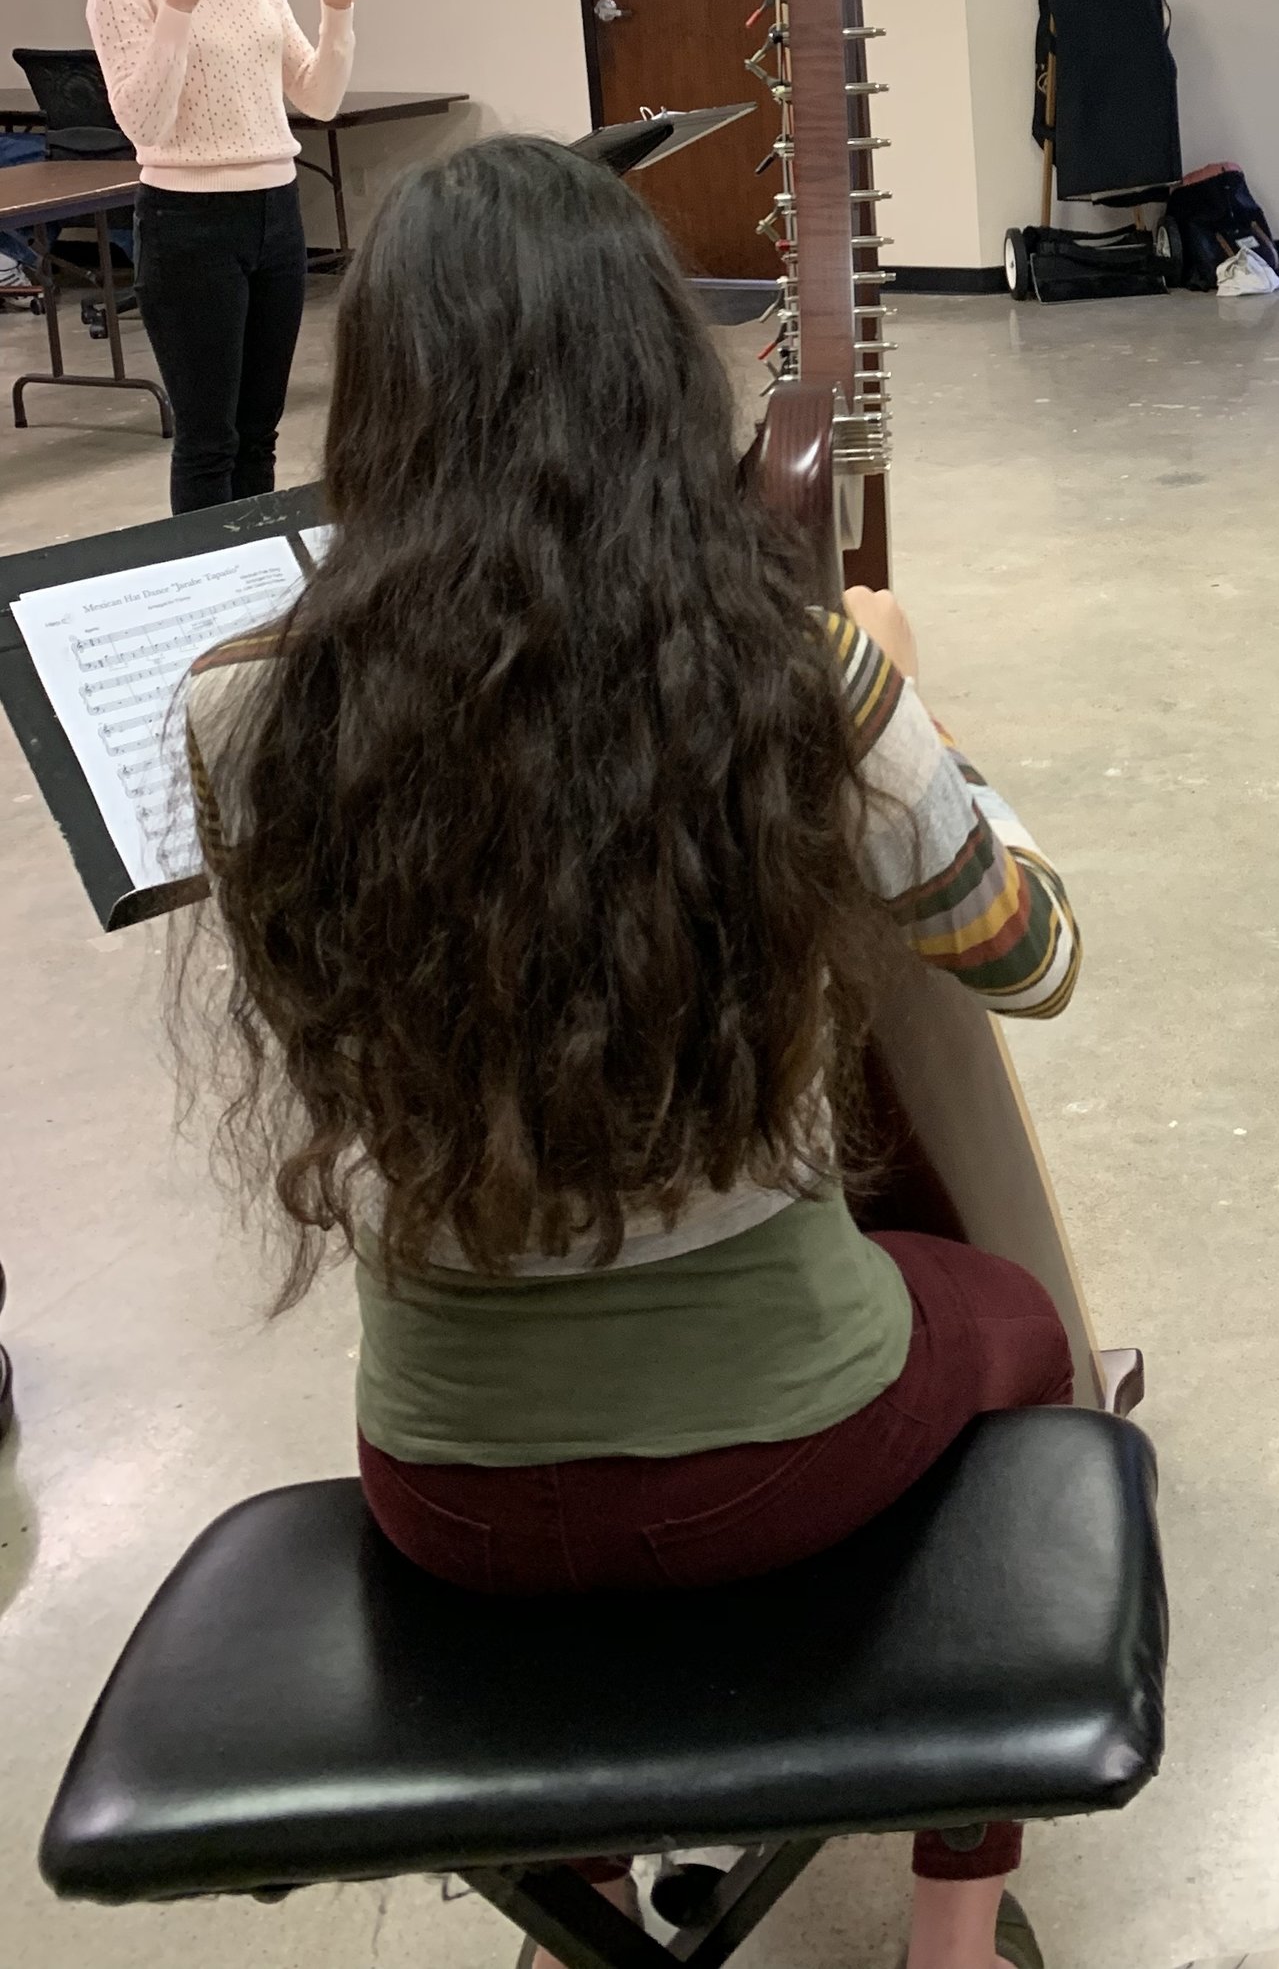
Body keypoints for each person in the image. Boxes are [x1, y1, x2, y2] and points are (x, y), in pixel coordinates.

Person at [175, 138, 1076, 1969]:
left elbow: (334, 1040)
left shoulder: (246, 707)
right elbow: (1031, 955)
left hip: (443, 1488)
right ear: (660, 377)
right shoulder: (803, 673)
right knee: (1027, 1330)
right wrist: (929, 724)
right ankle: (955, 1942)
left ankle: (576, 1905)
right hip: (793, 1442)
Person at [86, 0, 360, 512]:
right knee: (210, 439)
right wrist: (178, 5)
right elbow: (145, 118)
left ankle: (260, 580)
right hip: (189, 225)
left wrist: (337, 13)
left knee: (259, 431)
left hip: (274, 214)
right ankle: (210, 590)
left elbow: (319, 98)